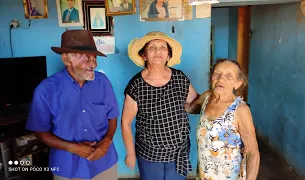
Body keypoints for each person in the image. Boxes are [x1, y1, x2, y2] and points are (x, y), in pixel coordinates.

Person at [25, 30, 119, 180]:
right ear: (67, 60)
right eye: (87, 58)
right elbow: (40, 132)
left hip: (103, 161)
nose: (93, 64)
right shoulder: (46, 89)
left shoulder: (102, 82)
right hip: (67, 166)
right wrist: (73, 148)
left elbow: (112, 116)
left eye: (94, 58)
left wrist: (106, 142)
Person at [122, 31, 199, 180]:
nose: (158, 51)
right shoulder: (136, 85)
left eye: (163, 47)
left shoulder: (180, 78)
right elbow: (126, 123)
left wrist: (217, 100)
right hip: (149, 153)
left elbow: (196, 103)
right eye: (152, 47)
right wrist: (131, 154)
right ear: (144, 55)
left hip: (179, 151)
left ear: (169, 55)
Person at [186, 59, 260, 180]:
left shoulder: (240, 109)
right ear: (211, 78)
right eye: (217, 74)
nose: (221, 79)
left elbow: (253, 152)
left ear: (238, 83)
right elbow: (190, 108)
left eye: (229, 76)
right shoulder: (207, 97)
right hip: (205, 175)